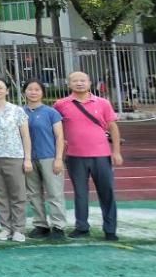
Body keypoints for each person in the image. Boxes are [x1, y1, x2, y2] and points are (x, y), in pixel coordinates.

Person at [55, 70, 122, 241]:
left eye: (83, 80)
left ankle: (110, 229)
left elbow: (113, 127)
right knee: (80, 193)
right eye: (75, 80)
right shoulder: (61, 104)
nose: (79, 83)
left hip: (101, 155)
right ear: (69, 84)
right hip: (74, 156)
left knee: (106, 192)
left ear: (90, 83)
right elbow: (56, 129)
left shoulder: (103, 103)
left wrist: (116, 152)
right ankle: (82, 227)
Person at [0, 78, 33, 242]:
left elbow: (25, 136)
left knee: (18, 194)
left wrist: (27, 159)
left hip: (14, 157)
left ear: (7, 91)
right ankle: (5, 228)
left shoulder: (17, 111)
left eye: (0, 88)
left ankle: (18, 229)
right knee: (0, 194)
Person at [22, 78, 67, 240]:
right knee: (33, 193)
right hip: (28, 159)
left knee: (55, 193)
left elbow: (59, 136)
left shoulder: (51, 113)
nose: (33, 92)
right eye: (30, 89)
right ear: (24, 92)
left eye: (37, 89)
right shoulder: (20, 112)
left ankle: (58, 226)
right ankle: (40, 225)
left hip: (49, 157)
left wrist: (58, 158)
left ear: (42, 93)